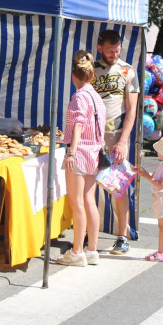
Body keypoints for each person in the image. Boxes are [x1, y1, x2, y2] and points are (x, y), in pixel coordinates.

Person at [57, 51, 107, 267]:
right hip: (95, 152)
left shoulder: (79, 97)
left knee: (77, 202)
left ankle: (77, 251)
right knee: (89, 201)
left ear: (73, 75)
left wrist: (71, 152)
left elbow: (78, 124)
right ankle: (92, 249)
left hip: (81, 152)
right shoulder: (96, 96)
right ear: (92, 75)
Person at [92, 29, 139, 255]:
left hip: (117, 134)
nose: (114, 54)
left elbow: (132, 110)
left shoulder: (127, 70)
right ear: (99, 48)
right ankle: (88, 232)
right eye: (110, 51)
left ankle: (122, 235)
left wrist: (123, 141)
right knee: (89, 184)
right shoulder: (90, 69)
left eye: (117, 50)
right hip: (92, 136)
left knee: (119, 187)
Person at [135, 135, 163, 262]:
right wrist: (142, 173)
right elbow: (155, 177)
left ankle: (162, 252)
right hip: (160, 197)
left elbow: (160, 185)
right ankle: (161, 251)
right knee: (162, 225)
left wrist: (146, 176)